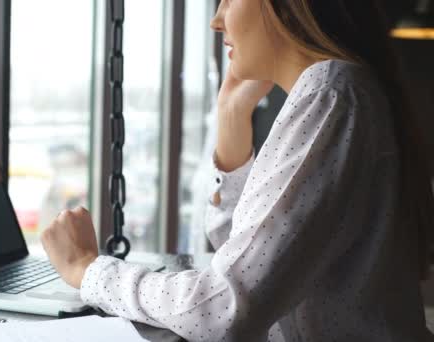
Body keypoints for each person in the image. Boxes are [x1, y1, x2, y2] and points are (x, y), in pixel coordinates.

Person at [40, 0, 434, 341]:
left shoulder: (331, 92)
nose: (216, 20)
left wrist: (87, 269)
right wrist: (232, 116)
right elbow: (254, 258)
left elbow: (224, 310)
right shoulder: (342, 90)